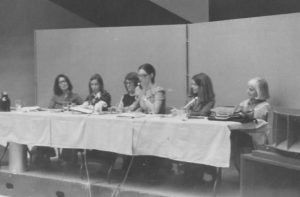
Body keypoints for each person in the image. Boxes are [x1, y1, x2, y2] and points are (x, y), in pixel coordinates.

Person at [32, 74, 83, 167]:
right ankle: (43, 155)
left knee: (72, 134)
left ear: (68, 82)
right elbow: (49, 110)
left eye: (65, 81)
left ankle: (67, 159)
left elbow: (85, 107)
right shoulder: (55, 97)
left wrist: (76, 107)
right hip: (57, 126)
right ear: (58, 85)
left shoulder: (75, 96)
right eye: (61, 82)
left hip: (70, 127)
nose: (63, 83)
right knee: (44, 131)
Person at [183, 73, 217, 183]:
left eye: (194, 84)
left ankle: (199, 174)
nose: (192, 87)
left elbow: (202, 113)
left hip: (203, 135)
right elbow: (187, 110)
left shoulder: (210, 101)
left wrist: (190, 112)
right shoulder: (194, 98)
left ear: (202, 87)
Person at [231, 77, 271, 171]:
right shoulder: (244, 103)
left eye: (251, 89)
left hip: (255, 139)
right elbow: (236, 113)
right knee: (238, 154)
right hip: (242, 136)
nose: (248, 91)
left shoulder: (264, 106)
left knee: (250, 162)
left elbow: (253, 117)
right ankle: (242, 174)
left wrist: (242, 113)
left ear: (259, 91)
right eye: (248, 88)